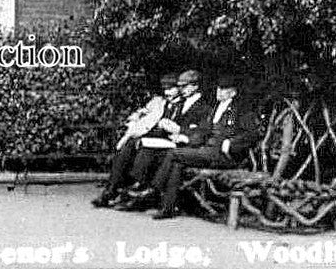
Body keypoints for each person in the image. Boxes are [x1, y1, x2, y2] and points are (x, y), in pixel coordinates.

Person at [148, 74, 260, 219]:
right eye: (218, 88)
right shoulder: (215, 108)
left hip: (225, 156)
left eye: (224, 89)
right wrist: (185, 137)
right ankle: (167, 208)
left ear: (233, 92)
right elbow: (203, 131)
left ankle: (154, 188)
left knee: (174, 154)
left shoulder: (240, 111)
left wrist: (231, 143)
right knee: (177, 164)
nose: (219, 92)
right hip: (206, 151)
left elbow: (252, 134)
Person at [115, 68, 213, 209]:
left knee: (152, 153)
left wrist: (181, 133)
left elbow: (202, 131)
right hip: (171, 142)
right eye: (179, 86)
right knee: (145, 148)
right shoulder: (180, 103)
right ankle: (138, 186)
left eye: (184, 86)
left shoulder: (204, 108)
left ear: (195, 86)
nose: (181, 89)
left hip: (186, 146)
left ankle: (146, 192)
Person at [92, 73, 180, 207]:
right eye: (165, 89)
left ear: (178, 88)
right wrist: (138, 117)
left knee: (142, 148)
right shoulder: (160, 102)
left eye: (171, 89)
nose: (168, 92)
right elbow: (145, 114)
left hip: (169, 141)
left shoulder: (182, 104)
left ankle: (133, 191)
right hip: (154, 137)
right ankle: (112, 190)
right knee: (129, 145)